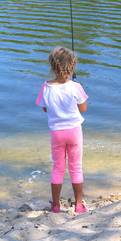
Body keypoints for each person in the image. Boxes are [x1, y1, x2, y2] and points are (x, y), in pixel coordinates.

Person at [36, 46, 88, 214]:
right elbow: (83, 109)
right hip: (74, 132)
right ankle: (79, 205)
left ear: (51, 67)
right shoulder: (76, 86)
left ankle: (56, 206)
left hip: (57, 133)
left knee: (58, 168)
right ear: (72, 67)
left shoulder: (46, 87)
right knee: (76, 167)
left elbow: (45, 109)